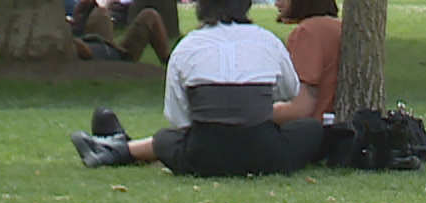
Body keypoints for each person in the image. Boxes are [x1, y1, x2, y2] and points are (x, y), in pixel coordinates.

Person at [68, 0, 324, 176]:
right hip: (265, 155)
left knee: (169, 138)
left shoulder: (187, 47)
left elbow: (180, 119)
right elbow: (290, 91)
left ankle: (117, 149)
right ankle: (115, 148)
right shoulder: (268, 42)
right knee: (311, 128)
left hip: (203, 157)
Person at [274, 0, 339, 119]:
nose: (276, 3)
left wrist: (256, 114)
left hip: (312, 131)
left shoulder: (307, 33)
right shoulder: (340, 27)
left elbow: (301, 108)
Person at [67, 0, 171, 64]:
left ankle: (169, 62)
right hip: (120, 57)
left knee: (100, 12)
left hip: (105, 42)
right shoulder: (80, 47)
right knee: (150, 16)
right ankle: (168, 62)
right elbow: (85, 52)